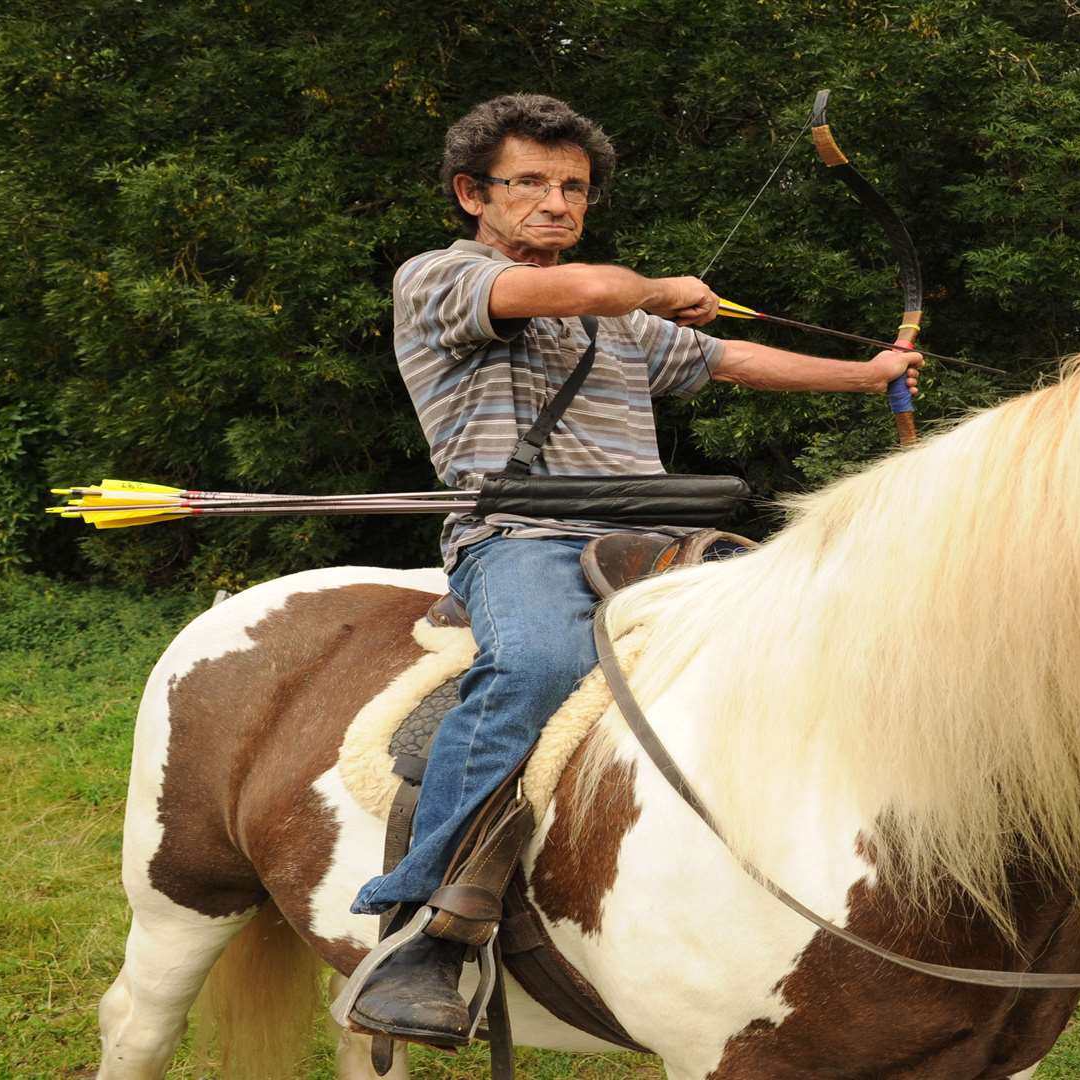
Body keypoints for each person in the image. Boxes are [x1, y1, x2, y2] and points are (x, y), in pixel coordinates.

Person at [344, 93, 921, 1047]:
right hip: (523, 540)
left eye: (572, 187)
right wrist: (651, 284)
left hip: (650, 539)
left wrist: (866, 373)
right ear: (470, 194)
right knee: (531, 669)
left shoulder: (618, 314)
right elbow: (583, 292)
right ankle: (424, 926)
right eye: (528, 183)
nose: (556, 203)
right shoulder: (440, 280)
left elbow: (727, 355)